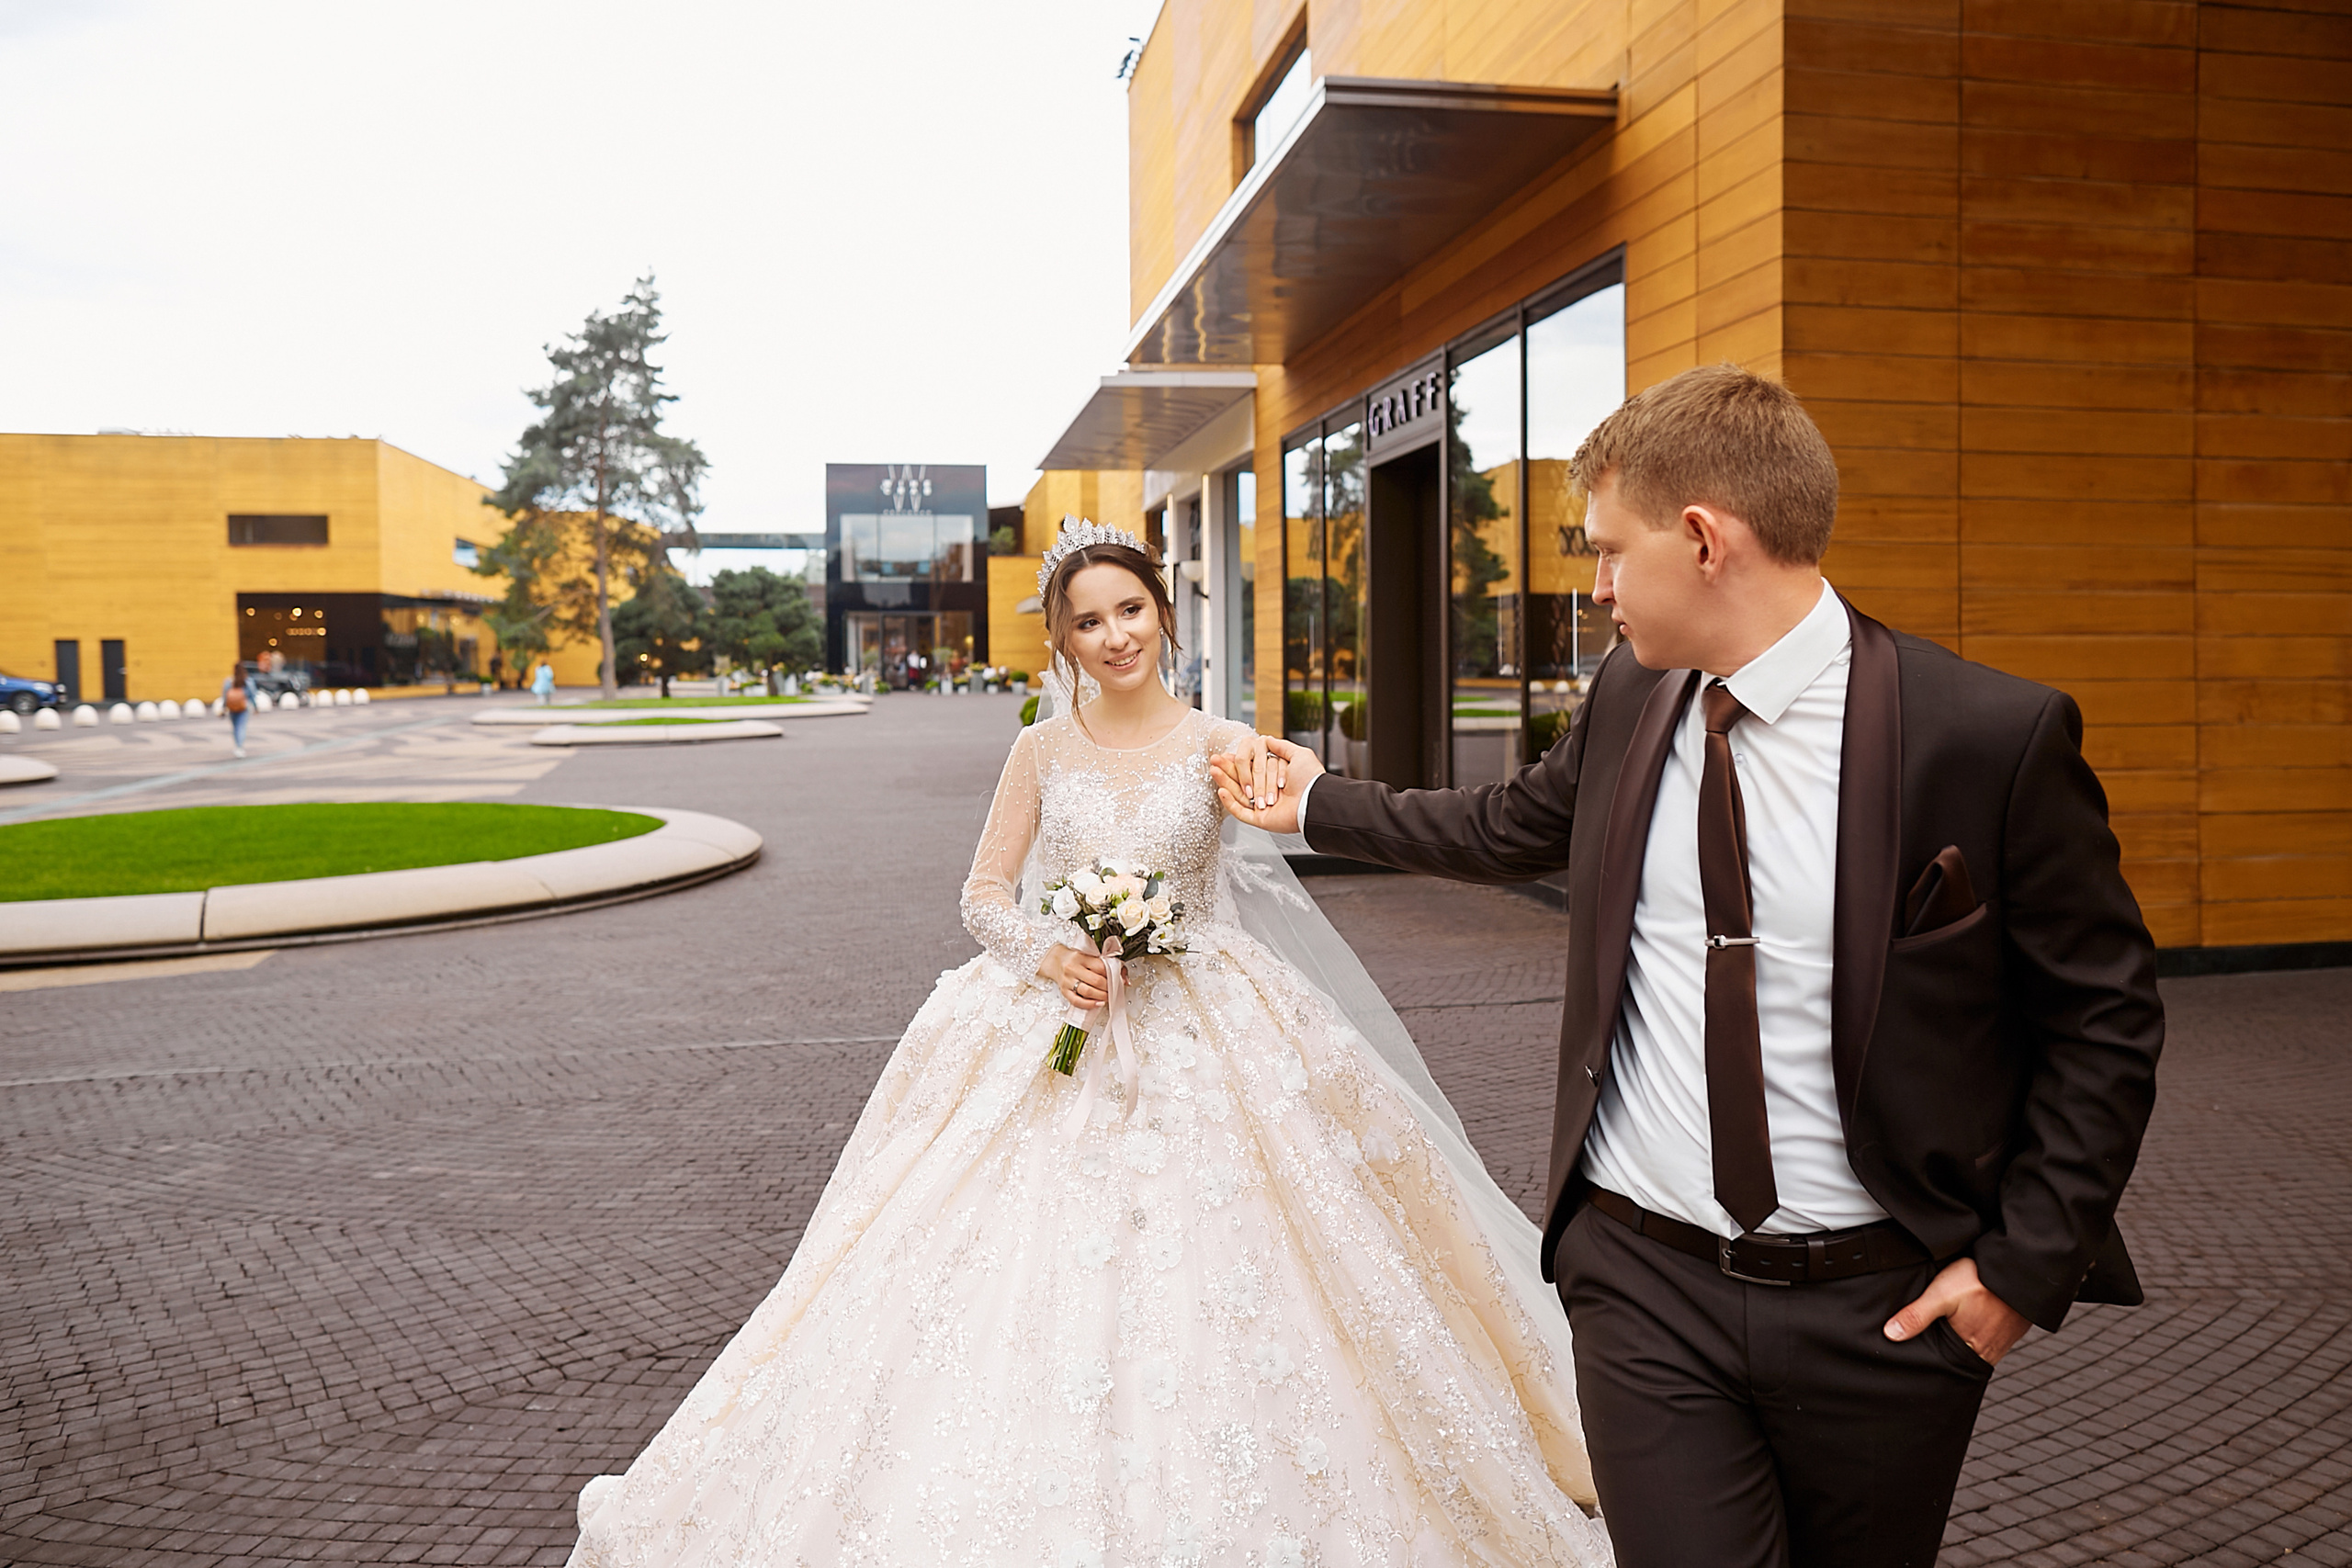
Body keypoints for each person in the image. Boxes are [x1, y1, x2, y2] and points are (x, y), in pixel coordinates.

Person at [1213, 364, 2164, 1568]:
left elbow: (2106, 1022)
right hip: (1639, 1279)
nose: (1597, 585)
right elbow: (1510, 822)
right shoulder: (1629, 691)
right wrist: (1319, 802)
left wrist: (2020, 1270)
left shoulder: (1988, 737)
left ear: (1705, 538)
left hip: (1885, 1308)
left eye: (1610, 550)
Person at [564, 517, 1614, 1568]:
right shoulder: (1039, 749)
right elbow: (981, 894)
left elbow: (1289, 826)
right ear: (1061, 643)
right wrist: (1044, 952)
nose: (1115, 636)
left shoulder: (1219, 741)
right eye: (1087, 622)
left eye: (1129, 610)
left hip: (1206, 1022)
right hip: (1052, 1024)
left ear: (1161, 612)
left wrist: (1282, 804)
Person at [220, 663, 255, 757]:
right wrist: (255, 706)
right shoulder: (248, 681)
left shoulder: (229, 681)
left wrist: (223, 708)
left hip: (232, 708)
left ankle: (237, 746)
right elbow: (252, 695)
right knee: (241, 727)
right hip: (243, 707)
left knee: (235, 727)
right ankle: (240, 747)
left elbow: (225, 696)